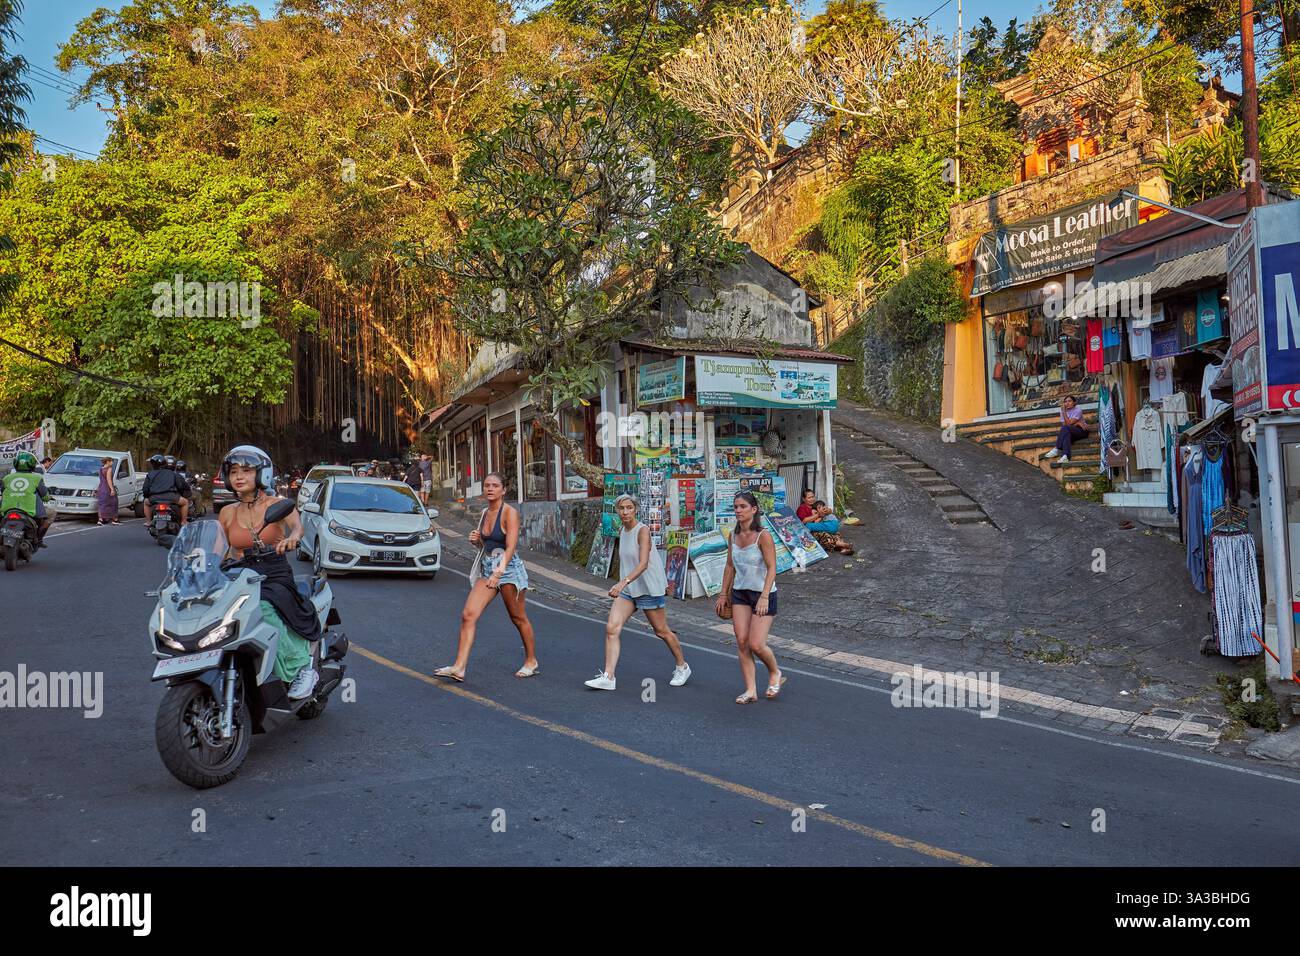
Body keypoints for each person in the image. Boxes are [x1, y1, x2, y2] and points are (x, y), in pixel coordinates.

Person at [217, 445, 320, 700]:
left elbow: (297, 528)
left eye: (247, 470)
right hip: (239, 575)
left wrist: (292, 539)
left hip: (272, 574)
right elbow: (217, 550)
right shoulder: (227, 512)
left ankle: (301, 669)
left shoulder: (278, 505)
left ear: (262, 474)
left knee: (262, 608)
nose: (239, 476)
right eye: (233, 471)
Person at [434, 471, 539, 682]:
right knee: (468, 615)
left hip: (508, 571)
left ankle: (531, 661)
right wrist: (477, 540)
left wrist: (499, 572)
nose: (490, 489)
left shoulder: (509, 513)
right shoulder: (484, 513)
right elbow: (488, 545)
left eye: (494, 486)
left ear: (503, 489)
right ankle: (459, 667)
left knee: (517, 618)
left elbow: (511, 546)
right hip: (487, 568)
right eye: (487, 485)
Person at [584, 494, 690, 691]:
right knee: (612, 628)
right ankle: (608, 676)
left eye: (629, 508)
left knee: (661, 631)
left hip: (648, 587)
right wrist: (624, 584)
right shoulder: (622, 530)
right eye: (621, 508)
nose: (625, 512)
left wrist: (622, 583)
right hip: (630, 590)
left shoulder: (643, 531)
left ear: (635, 509)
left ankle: (682, 667)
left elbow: (642, 564)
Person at [715, 491, 785, 704]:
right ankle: (750, 690)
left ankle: (775, 672)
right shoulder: (732, 535)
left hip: (763, 593)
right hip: (740, 593)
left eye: (743, 506)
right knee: (742, 642)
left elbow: (773, 567)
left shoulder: (763, 536)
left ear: (753, 510)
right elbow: (729, 565)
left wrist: (764, 596)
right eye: (736, 506)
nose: (738, 510)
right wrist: (723, 593)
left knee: (756, 643)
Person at [1, 452, 54, 547]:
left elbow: (3, 492)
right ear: (33, 465)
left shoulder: (7, 478)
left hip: (7, 510)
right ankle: (39, 539)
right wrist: (48, 497)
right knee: (52, 513)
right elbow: (45, 496)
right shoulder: (37, 478)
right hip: (29, 511)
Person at [142, 453, 191, 525]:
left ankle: (148, 521)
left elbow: (145, 489)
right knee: (185, 502)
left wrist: (147, 496)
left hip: (155, 498)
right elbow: (182, 486)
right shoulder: (173, 474)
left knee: (145, 502)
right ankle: (183, 521)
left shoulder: (150, 474)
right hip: (171, 497)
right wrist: (186, 493)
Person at [1043, 395, 1087, 463]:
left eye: (1069, 401)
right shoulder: (1062, 411)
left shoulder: (1078, 409)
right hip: (1070, 430)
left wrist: (1064, 413)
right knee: (1066, 436)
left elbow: (1068, 424)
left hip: (1081, 430)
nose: (1067, 403)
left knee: (1066, 429)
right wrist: (1076, 423)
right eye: (1065, 401)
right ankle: (1065, 457)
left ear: (1074, 402)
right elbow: (1065, 425)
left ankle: (1057, 448)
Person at [95, 456, 119, 525]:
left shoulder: (101, 469)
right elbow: (109, 480)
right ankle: (114, 519)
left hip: (101, 488)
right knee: (113, 502)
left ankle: (101, 519)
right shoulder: (109, 469)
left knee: (102, 504)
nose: (112, 463)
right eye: (111, 461)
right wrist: (112, 489)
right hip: (107, 488)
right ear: (108, 462)